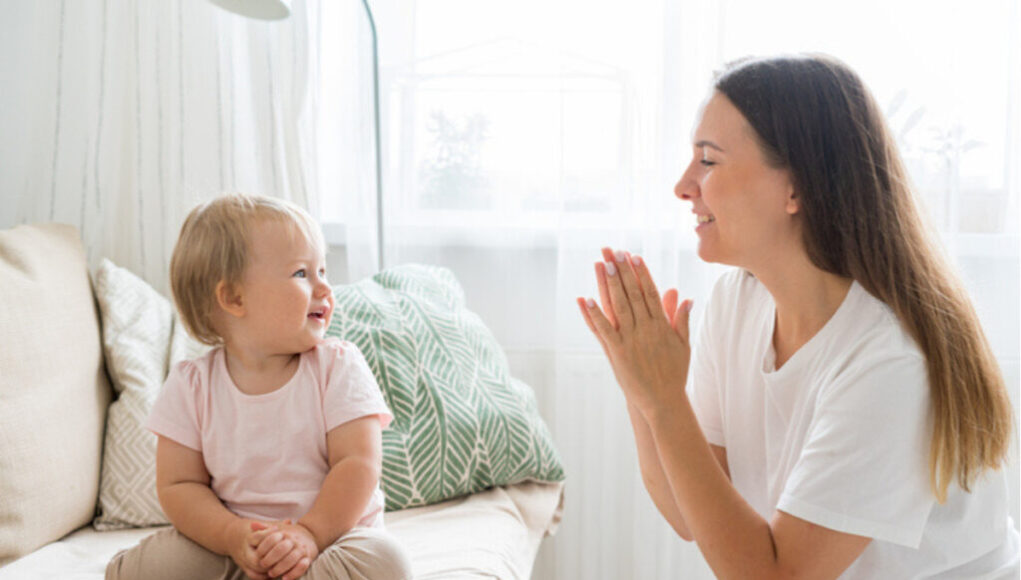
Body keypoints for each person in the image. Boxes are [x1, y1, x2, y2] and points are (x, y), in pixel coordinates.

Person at [578, 54, 1019, 579]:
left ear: (797, 189)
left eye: (709, 161)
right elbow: (688, 514)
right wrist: (644, 389)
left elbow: (776, 577)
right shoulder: (737, 302)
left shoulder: (888, 359)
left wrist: (667, 401)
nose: (683, 185)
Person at [106, 194, 412, 580]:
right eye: (302, 273)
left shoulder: (338, 366)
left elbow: (358, 464)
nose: (324, 288)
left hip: (331, 543)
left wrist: (309, 535)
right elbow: (179, 485)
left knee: (384, 561)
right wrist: (233, 536)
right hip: (236, 548)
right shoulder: (191, 385)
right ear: (234, 297)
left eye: (323, 270)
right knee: (156, 566)